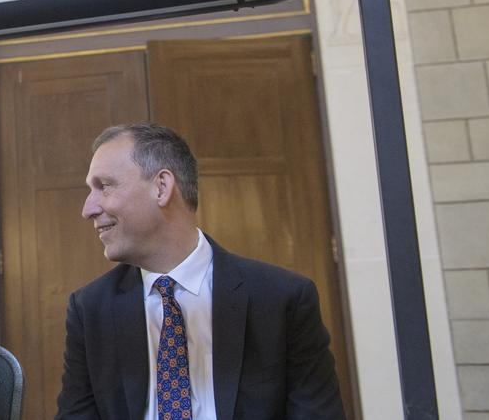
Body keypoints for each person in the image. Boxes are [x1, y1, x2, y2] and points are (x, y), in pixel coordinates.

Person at [56, 123, 345, 420]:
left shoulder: (282, 300)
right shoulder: (90, 309)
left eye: (104, 186)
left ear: (161, 187)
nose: (88, 209)